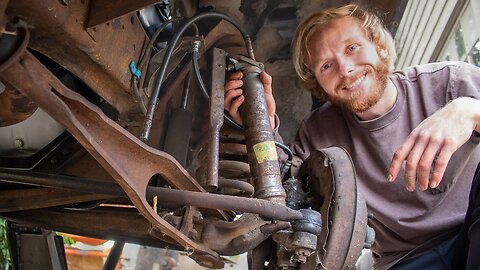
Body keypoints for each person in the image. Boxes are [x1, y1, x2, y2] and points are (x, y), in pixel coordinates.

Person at [224, 4, 480, 270]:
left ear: (380, 46)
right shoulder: (318, 131)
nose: (344, 69)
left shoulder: (452, 81)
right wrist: (262, 123)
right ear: (318, 84)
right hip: (408, 258)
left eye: (351, 48)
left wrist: (470, 111)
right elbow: (285, 186)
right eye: (326, 65)